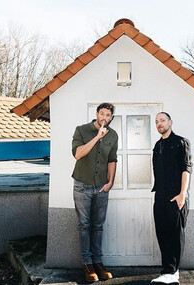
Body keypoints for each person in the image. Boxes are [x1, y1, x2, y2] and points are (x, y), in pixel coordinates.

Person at [72, 103, 118, 282]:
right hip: (82, 185)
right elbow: (78, 154)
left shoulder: (113, 135)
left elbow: (112, 159)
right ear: (97, 114)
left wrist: (111, 182)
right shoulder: (81, 130)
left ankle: (98, 262)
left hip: (101, 187)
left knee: (98, 226)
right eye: (102, 114)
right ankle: (87, 264)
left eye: (108, 115)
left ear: (111, 117)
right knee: (84, 225)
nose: (105, 117)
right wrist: (97, 137)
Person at [151, 112, 192, 285]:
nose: (159, 123)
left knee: (175, 235)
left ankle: (172, 271)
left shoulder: (181, 142)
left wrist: (182, 194)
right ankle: (169, 271)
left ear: (170, 122)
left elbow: (186, 168)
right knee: (162, 234)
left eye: (162, 120)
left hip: (176, 195)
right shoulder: (157, 145)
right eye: (157, 121)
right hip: (160, 196)